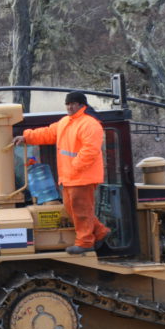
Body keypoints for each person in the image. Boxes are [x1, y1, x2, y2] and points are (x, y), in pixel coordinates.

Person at [11, 92, 109, 254]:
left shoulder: (90, 124)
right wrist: (27, 137)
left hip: (82, 177)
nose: (69, 107)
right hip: (70, 177)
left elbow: (90, 151)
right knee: (72, 209)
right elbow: (48, 133)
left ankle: (85, 242)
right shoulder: (65, 122)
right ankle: (100, 232)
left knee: (81, 210)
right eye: (67, 104)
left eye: (73, 104)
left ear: (81, 105)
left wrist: (74, 166)